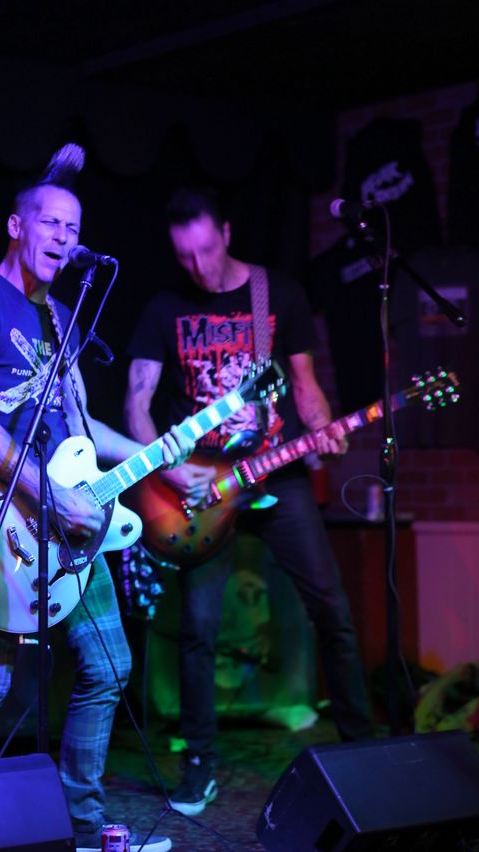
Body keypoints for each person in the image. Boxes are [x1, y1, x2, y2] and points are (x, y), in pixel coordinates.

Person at [0, 144, 194, 852]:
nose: (64, 237)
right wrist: (51, 499)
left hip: (68, 523)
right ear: (16, 226)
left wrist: (157, 449)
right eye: (50, 222)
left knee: (108, 666)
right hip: (1, 520)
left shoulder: (61, 320)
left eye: (73, 228)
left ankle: (82, 828)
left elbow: (80, 425)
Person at [124, 186, 373, 817]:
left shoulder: (278, 294)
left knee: (332, 610)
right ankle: (199, 765)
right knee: (198, 630)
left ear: (227, 234)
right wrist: (170, 469)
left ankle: (363, 753)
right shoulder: (163, 307)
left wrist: (324, 430)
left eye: (206, 250)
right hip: (201, 489)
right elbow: (136, 402)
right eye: (185, 256)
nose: (199, 267)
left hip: (276, 475)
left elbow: (305, 385)